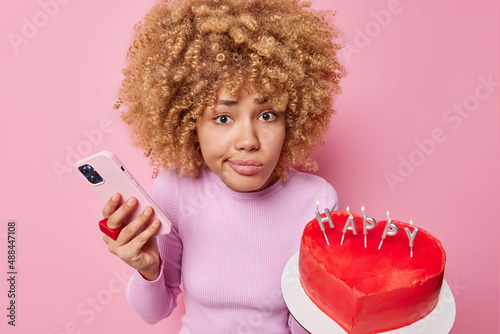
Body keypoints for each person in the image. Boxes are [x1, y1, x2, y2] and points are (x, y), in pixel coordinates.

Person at [101, 0, 346, 332]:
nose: (248, 140)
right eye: (223, 117)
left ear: (293, 119)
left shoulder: (317, 202)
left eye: (268, 115)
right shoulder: (175, 191)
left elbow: (309, 321)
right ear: (191, 125)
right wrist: (147, 269)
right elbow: (154, 312)